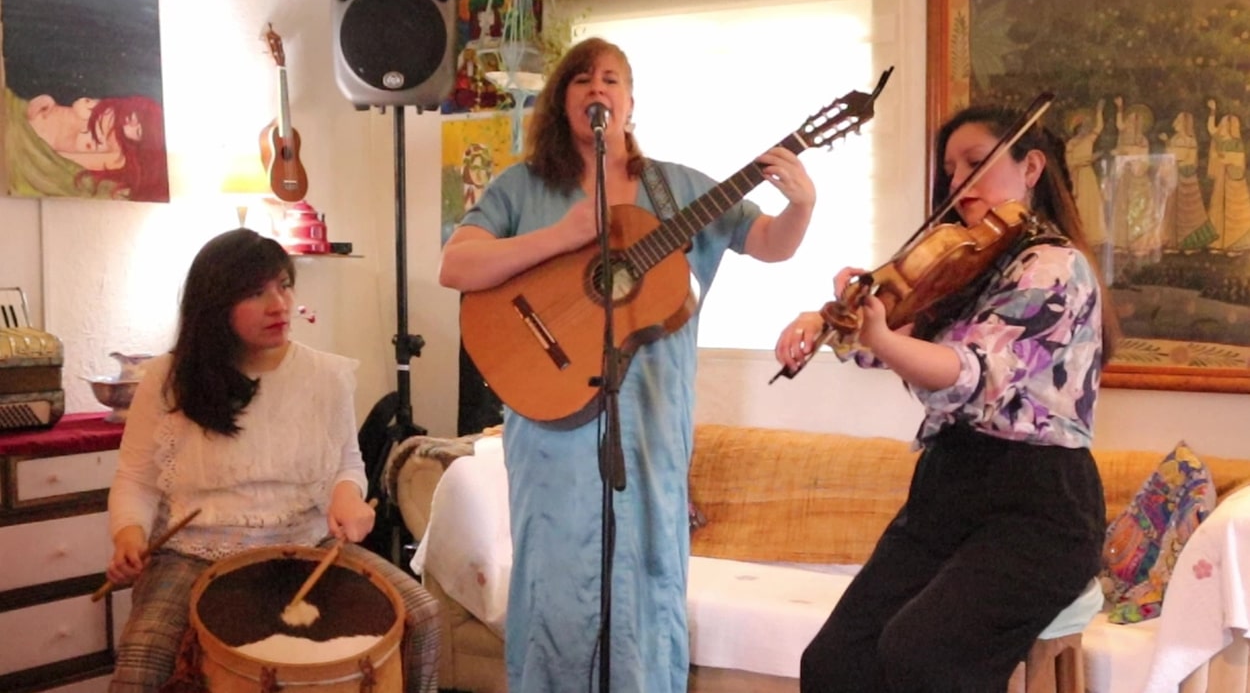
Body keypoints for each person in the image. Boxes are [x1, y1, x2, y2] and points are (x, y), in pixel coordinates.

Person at [437, 36, 816, 693]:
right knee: (554, 585)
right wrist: (566, 235)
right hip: (550, 430)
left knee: (646, 581)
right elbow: (456, 264)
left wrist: (802, 204)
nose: (597, 88)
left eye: (611, 78)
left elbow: (768, 243)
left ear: (631, 102)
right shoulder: (522, 187)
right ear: (563, 100)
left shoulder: (679, 189)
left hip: (651, 430)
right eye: (581, 78)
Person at [775, 105, 1116, 692]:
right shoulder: (965, 262)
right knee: (833, 661)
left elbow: (973, 375)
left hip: (1039, 509)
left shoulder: (1057, 267)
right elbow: (896, 345)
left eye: (976, 162)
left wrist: (878, 334)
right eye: (951, 169)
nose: (958, 181)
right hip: (947, 489)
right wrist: (833, 321)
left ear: (1031, 166)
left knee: (923, 655)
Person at [105, 229, 439, 692]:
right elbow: (136, 480)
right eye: (256, 292)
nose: (279, 304)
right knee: (143, 660)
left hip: (304, 542)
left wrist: (347, 498)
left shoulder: (327, 375)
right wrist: (129, 534)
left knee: (422, 614)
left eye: (283, 285)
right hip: (196, 553)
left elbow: (347, 463)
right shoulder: (168, 378)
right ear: (215, 305)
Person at [5, 87, 169, 201]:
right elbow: (77, 106)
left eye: (138, 131)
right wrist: (45, 103)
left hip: (36, 141)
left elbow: (64, 159)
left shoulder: (117, 155)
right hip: (35, 116)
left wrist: (42, 149)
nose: (132, 123)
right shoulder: (109, 109)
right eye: (137, 116)